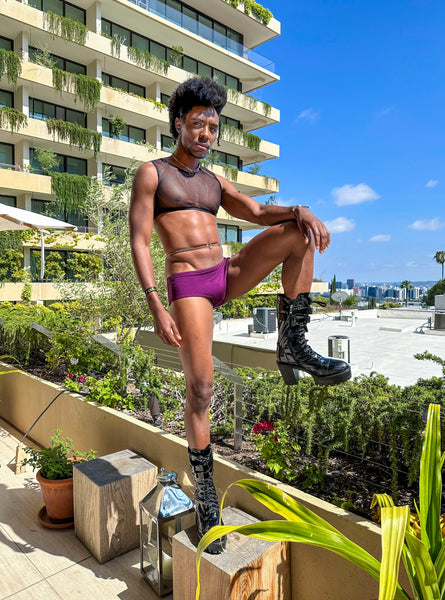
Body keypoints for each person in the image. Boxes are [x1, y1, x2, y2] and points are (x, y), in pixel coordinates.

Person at [129, 77, 351, 553]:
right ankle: (207, 494)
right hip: (188, 286)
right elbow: (138, 242)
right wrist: (155, 303)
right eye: (198, 124)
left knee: (297, 232)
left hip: (225, 274)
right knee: (201, 388)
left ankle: (292, 341)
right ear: (178, 124)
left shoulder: (213, 181)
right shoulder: (153, 173)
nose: (207, 133)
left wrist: (302, 209)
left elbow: (253, 211)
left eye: (213, 126)